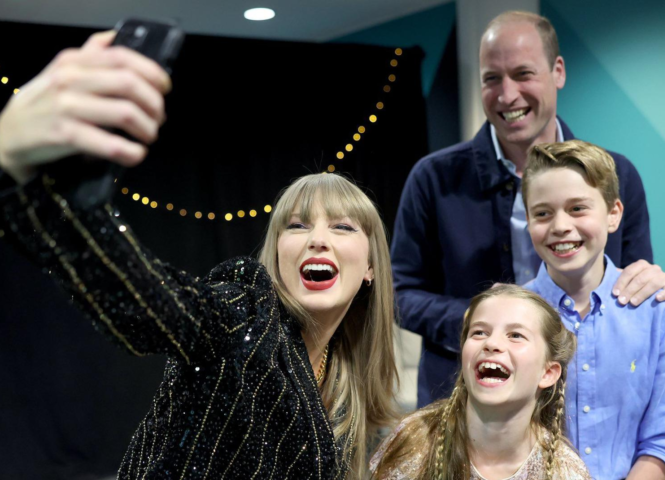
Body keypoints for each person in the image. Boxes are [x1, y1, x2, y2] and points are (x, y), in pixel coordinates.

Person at [0, 31, 398, 479]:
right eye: (298, 225)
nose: (317, 239)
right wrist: (26, 177)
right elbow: (148, 302)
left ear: (369, 267)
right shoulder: (245, 312)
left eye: (342, 227)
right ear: (275, 252)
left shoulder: (344, 380)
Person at [391, 10, 665, 407]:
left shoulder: (619, 175)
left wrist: (651, 281)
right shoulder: (432, 178)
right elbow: (398, 292)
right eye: (492, 78)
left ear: (557, 71)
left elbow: (633, 282)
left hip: (587, 398)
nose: (507, 95)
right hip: (463, 398)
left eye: (523, 74)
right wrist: (477, 319)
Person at [523, 140, 665, 479]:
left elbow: (664, 442)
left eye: (577, 209)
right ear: (527, 221)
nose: (559, 226)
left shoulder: (659, 312)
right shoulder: (512, 315)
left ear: (613, 214)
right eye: (542, 213)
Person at [370, 284, 590, 480]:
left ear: (548, 373)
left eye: (515, 335)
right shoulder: (414, 442)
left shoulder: (566, 471)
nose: (491, 343)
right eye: (479, 332)